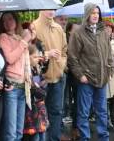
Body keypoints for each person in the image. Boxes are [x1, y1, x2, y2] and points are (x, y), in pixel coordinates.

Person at [68, 3, 114, 141]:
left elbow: (109, 54)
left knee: (102, 112)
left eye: (97, 13)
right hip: (86, 80)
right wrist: (80, 75)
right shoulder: (78, 33)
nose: (95, 15)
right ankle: (84, 138)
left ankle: (103, 137)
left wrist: (110, 69)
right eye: (93, 12)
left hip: (102, 79)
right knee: (83, 112)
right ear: (87, 14)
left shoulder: (103, 33)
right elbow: (72, 58)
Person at [32, 10, 68, 141]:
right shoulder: (34, 26)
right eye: (48, 8)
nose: (51, 11)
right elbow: (30, 54)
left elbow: (65, 51)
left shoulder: (59, 28)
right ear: (41, 9)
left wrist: (61, 65)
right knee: (40, 113)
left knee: (57, 112)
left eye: (53, 9)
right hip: (40, 80)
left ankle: (55, 138)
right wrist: (47, 54)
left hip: (58, 78)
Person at [0, 12, 32, 141]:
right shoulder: (3, 37)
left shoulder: (19, 38)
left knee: (19, 132)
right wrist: (24, 42)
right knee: (11, 133)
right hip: (12, 87)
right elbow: (10, 59)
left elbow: (25, 61)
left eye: (10, 19)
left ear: (16, 20)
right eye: (4, 20)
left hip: (24, 87)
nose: (8, 22)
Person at [23, 44, 49, 141]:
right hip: (32, 108)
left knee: (42, 132)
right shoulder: (27, 70)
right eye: (34, 57)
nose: (37, 59)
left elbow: (41, 84)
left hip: (40, 106)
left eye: (38, 56)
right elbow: (33, 88)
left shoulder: (36, 69)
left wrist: (42, 84)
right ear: (27, 56)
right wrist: (40, 89)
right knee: (35, 134)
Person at [65, 22, 81, 140]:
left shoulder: (80, 42)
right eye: (75, 30)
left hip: (77, 75)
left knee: (78, 102)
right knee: (65, 101)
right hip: (65, 73)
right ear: (69, 31)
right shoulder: (65, 41)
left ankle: (76, 127)